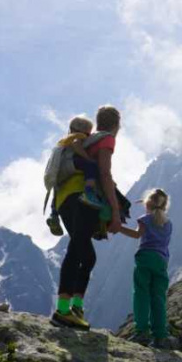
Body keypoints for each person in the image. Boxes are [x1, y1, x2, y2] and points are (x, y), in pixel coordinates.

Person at [51, 105, 124, 330]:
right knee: (76, 250)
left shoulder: (85, 140)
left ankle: (75, 308)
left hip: (63, 200)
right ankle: (63, 311)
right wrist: (115, 210)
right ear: (117, 125)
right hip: (82, 199)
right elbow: (104, 173)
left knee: (87, 255)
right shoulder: (106, 140)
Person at [119, 189, 173, 348]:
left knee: (141, 293)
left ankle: (142, 332)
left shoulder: (145, 219)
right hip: (161, 261)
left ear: (148, 203)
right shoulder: (167, 223)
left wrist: (118, 227)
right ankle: (160, 336)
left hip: (145, 258)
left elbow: (137, 235)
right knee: (158, 297)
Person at [46, 116, 101, 236]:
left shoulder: (63, 142)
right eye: (88, 132)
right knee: (91, 167)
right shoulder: (77, 137)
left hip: (60, 172)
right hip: (71, 164)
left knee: (56, 190)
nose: (88, 135)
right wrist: (88, 158)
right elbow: (77, 145)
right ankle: (89, 193)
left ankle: (54, 215)